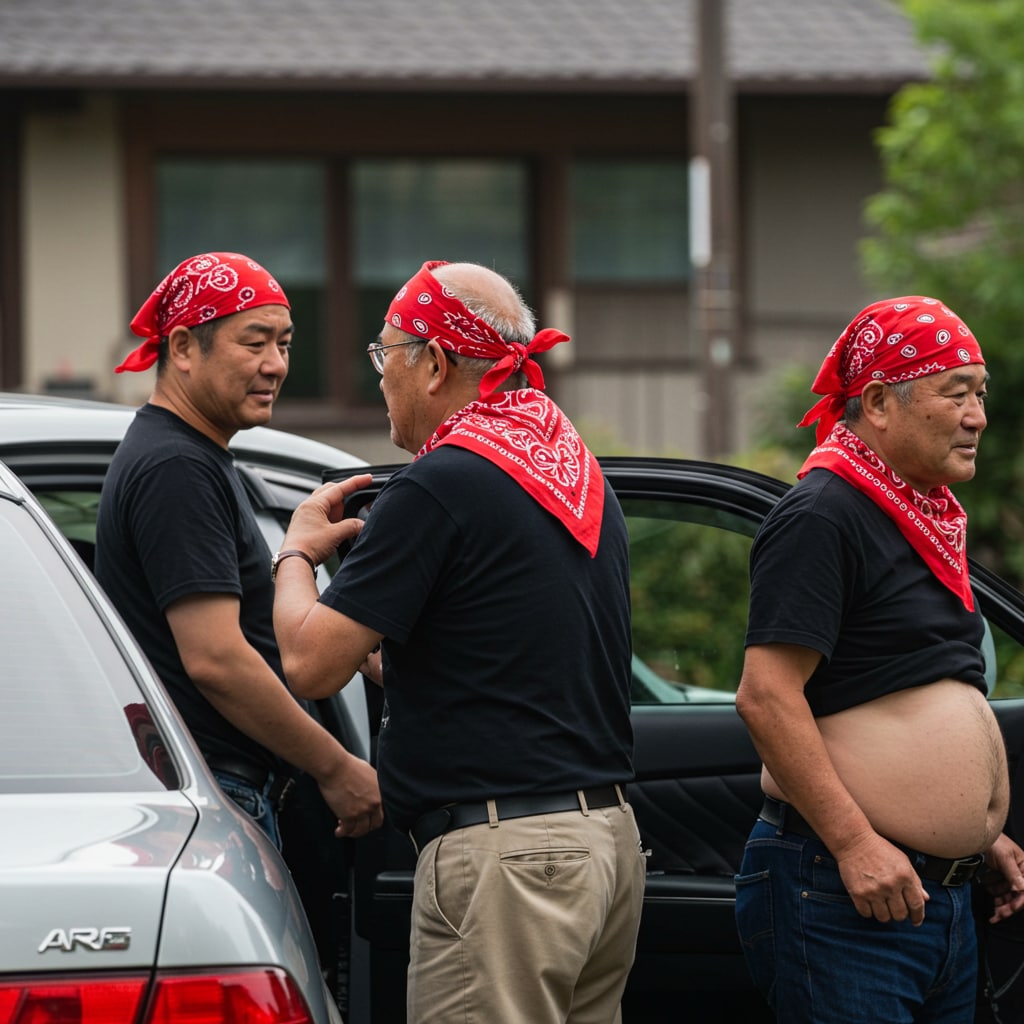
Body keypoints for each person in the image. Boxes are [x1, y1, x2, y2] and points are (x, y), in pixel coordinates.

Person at [271, 260, 645, 1023]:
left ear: (435, 363)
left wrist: (297, 552)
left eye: (386, 354)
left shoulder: (440, 483)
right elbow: (508, 659)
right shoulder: (573, 474)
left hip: (507, 862)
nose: (380, 375)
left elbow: (308, 664)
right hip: (606, 845)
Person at [734, 295, 1024, 1022]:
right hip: (844, 890)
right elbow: (767, 696)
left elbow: (905, 687)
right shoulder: (824, 514)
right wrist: (856, 842)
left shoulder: (923, 518)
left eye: (980, 394)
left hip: (934, 895)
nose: (977, 417)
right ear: (878, 403)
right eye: (955, 394)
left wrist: (977, 835)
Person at [95, 251, 382, 851]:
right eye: (254, 343)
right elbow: (216, 658)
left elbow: (247, 628)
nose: (275, 364)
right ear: (182, 347)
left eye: (285, 343)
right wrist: (337, 769)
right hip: (218, 795)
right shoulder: (176, 466)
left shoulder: (193, 455)